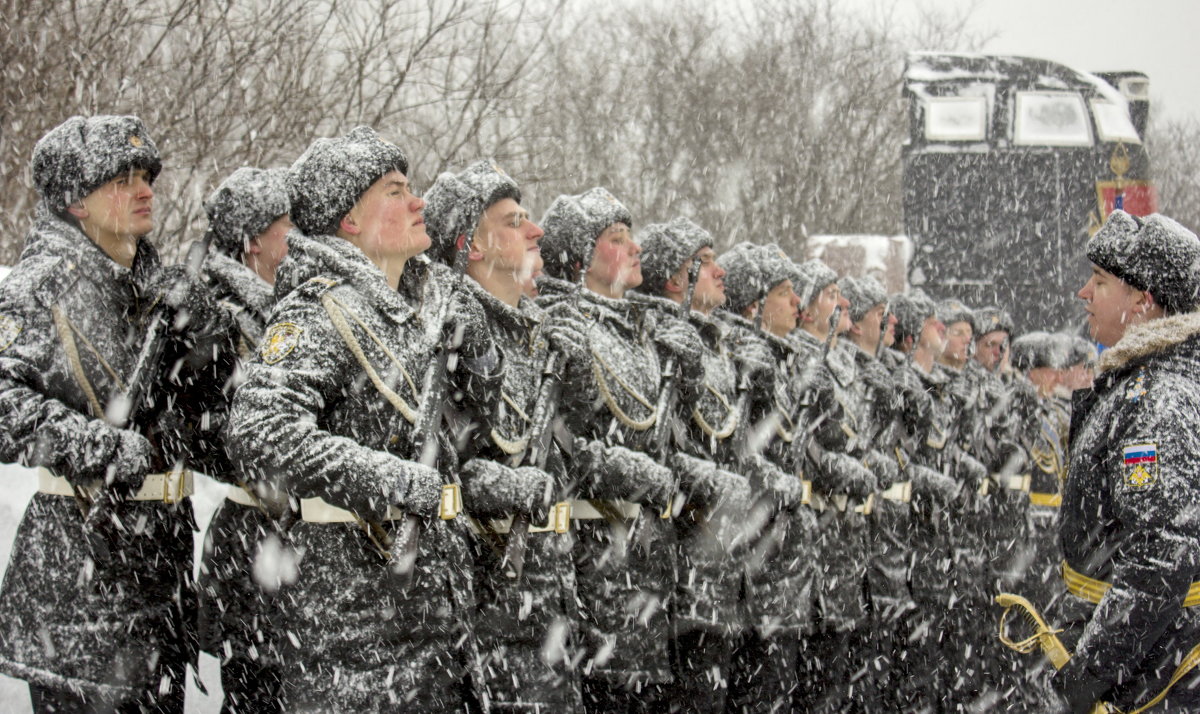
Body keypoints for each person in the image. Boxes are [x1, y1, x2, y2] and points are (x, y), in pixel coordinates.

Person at [225, 127, 480, 711]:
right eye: (395, 191)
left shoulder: (414, 312)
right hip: (355, 633)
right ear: (347, 219)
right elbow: (261, 432)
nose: (417, 202)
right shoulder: (319, 309)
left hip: (428, 623)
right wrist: (390, 480)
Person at [0, 115, 229, 711]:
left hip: (158, 575)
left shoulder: (162, 287)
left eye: (147, 175)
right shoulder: (38, 288)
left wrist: (208, 348)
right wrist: (97, 449)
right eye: (124, 178)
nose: (146, 189)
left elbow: (210, 423)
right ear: (76, 200)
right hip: (80, 582)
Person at [422, 160, 582, 712]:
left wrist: (576, 382)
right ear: (472, 245)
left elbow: (570, 468)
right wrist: (509, 487)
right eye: (514, 221)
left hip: (550, 601)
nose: (535, 232)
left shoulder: (538, 338)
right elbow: (441, 466)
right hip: (493, 606)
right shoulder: (452, 337)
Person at [536, 188, 687, 711]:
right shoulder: (570, 326)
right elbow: (566, 443)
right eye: (616, 239)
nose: (634, 248)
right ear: (580, 257)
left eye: (631, 236)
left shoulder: (644, 335)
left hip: (646, 562)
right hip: (596, 557)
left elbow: (663, 439)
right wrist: (647, 475)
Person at [1053, 210, 1200, 712]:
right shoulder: (1143, 386)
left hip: (1149, 679)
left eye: (1099, 281)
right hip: (1142, 668)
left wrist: (1089, 673)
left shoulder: (1156, 399)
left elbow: (1162, 556)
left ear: (1144, 300)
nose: (1083, 293)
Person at [633, 218, 755, 712]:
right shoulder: (664, 340)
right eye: (704, 262)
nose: (719, 270)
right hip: (683, 567)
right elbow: (661, 447)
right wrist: (714, 480)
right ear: (672, 279)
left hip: (719, 564)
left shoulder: (715, 343)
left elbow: (731, 444)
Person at [193, 166, 293, 713]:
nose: (299, 239)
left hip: (285, 548)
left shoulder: (285, 309)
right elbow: (218, 436)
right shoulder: (216, 322)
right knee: (257, 692)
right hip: (251, 549)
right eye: (287, 227)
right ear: (252, 241)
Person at [714, 243, 816, 713]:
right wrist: (788, 487)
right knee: (758, 693)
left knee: (781, 691)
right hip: (754, 567)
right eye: (784, 293)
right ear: (754, 306)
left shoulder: (778, 360)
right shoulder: (741, 359)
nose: (798, 304)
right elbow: (734, 452)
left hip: (783, 567)